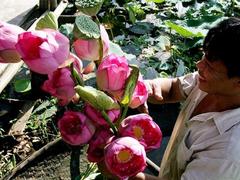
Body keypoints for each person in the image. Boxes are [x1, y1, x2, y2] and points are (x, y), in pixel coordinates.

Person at [132, 17, 240, 180]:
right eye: (204, 56)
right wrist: (147, 88)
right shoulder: (210, 83)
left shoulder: (228, 152)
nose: (199, 65)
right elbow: (174, 88)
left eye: (209, 66)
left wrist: (123, 172)